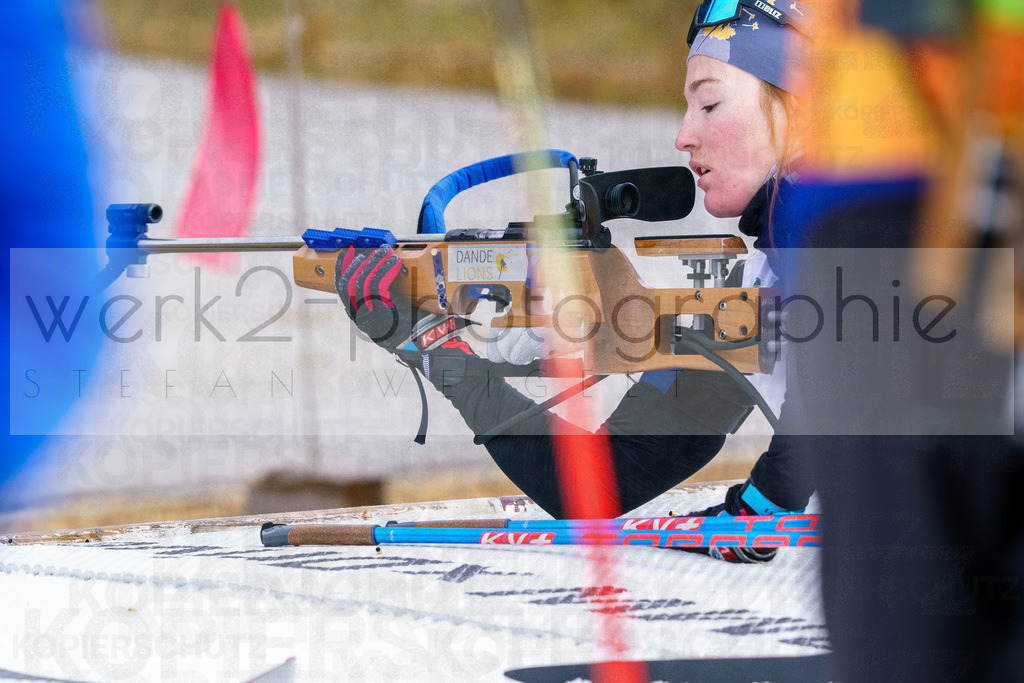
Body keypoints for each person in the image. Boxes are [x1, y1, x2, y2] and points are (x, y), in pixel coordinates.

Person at [336, 0, 813, 563]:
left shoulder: (857, 223)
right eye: (688, 108)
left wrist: (765, 508)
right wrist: (436, 345)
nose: (683, 136)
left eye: (710, 103)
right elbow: (598, 486)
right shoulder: (763, 279)